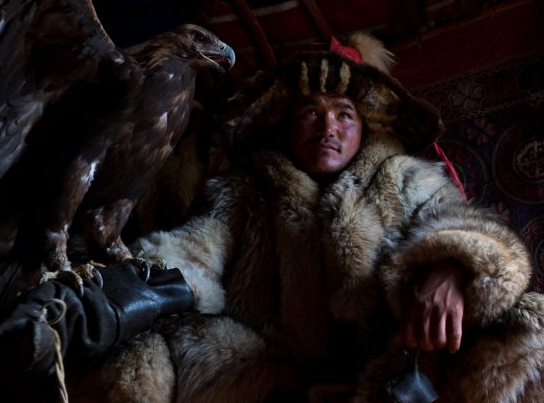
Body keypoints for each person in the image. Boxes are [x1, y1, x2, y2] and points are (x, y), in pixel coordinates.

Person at [63, 33, 544, 403]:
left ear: (364, 128)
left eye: (344, 115)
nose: (327, 127)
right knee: (133, 343)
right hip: (276, 372)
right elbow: (193, 250)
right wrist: (128, 288)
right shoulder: (245, 190)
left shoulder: (402, 176)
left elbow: (464, 226)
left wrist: (451, 268)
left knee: (530, 322)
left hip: (400, 363)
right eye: (309, 114)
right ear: (287, 128)